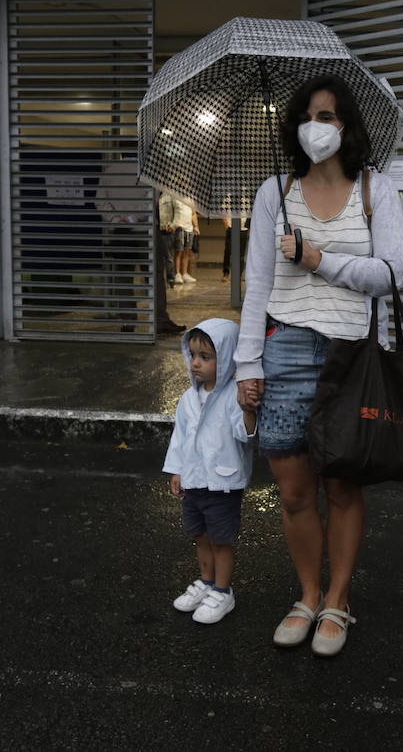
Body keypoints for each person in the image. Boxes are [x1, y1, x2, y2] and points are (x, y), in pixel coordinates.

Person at [235, 74, 403, 657]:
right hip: (283, 348)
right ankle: (307, 595)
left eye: (328, 116)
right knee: (292, 491)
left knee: (343, 485)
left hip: (350, 353)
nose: (317, 127)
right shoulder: (274, 192)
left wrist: (318, 259)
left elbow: (390, 274)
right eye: (309, 116)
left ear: (346, 125)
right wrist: (247, 364)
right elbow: (258, 282)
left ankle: (338, 598)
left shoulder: (376, 190)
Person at [164, 319, 256, 625]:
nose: (195, 363)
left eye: (205, 357)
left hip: (222, 484)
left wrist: (248, 410)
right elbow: (180, 438)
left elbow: (245, 436)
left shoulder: (233, 397)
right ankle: (206, 582)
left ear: (227, 357)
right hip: (194, 481)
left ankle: (223, 591)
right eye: (192, 355)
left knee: (221, 539)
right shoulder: (188, 399)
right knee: (199, 535)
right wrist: (176, 470)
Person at [95, 157, 182, 335]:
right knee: (154, 277)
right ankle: (159, 320)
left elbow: (99, 200)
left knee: (123, 278)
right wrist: (134, 217)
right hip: (145, 231)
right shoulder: (148, 170)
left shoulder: (110, 170)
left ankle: (128, 321)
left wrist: (116, 219)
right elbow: (152, 199)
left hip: (120, 232)